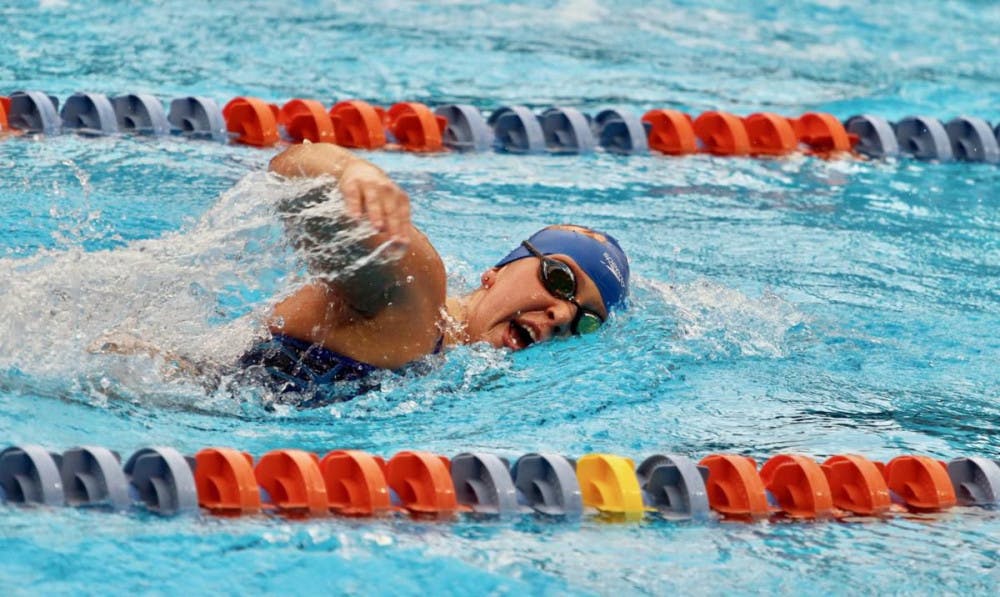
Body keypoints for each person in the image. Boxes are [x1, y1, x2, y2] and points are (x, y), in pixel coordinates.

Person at [239, 143, 630, 405]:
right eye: (560, 278)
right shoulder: (415, 297)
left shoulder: (458, 367)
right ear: (494, 272)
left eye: (586, 321)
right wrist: (350, 172)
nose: (562, 316)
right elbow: (289, 169)